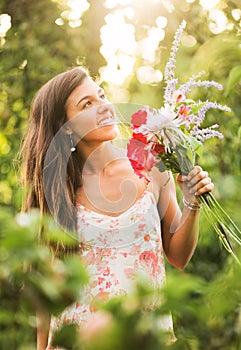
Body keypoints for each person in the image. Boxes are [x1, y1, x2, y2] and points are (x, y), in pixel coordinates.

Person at [20, 66, 214, 350]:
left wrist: (192, 202)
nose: (104, 107)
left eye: (101, 95)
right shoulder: (58, 192)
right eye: (87, 104)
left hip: (145, 337)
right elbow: (45, 285)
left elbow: (179, 256)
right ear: (67, 126)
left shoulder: (152, 169)